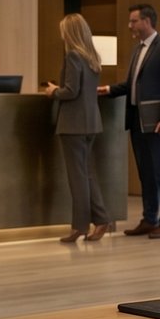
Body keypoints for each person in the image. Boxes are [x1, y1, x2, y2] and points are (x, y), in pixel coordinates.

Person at [99, 3, 160, 237]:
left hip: (158, 122)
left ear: (147, 21)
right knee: (145, 172)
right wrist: (107, 89)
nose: (130, 26)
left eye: (133, 21)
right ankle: (149, 218)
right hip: (137, 119)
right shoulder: (138, 50)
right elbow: (131, 85)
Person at [42, 13, 114, 243]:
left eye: (63, 30)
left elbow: (71, 91)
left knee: (78, 177)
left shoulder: (73, 56)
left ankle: (80, 226)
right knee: (87, 175)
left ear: (70, 33)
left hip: (73, 124)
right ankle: (101, 220)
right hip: (91, 122)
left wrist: (54, 90)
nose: (61, 34)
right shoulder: (92, 57)